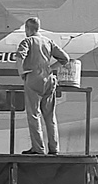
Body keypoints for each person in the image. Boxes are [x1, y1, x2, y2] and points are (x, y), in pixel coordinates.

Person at [15, 17, 69, 155]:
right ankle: (54, 148)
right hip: (49, 79)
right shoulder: (48, 41)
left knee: (34, 114)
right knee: (50, 116)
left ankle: (38, 148)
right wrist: (51, 68)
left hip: (33, 79)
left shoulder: (28, 41)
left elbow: (20, 56)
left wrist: (21, 72)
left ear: (28, 29)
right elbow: (65, 59)